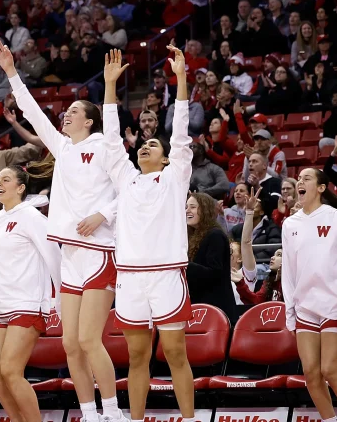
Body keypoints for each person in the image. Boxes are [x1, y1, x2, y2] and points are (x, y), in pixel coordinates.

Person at [0, 37, 125, 422]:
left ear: (90, 120)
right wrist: (12, 73)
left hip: (98, 249)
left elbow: (127, 189)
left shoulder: (103, 146)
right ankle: (90, 413)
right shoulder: (62, 147)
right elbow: (32, 112)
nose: (66, 114)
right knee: (69, 343)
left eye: (74, 111)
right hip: (69, 254)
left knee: (87, 339)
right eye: (65, 110)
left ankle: (112, 413)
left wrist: (103, 214)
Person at [102, 46, 195, 422]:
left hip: (166, 274)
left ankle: (189, 419)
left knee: (175, 352)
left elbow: (182, 133)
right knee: (137, 357)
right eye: (142, 144)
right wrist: (110, 87)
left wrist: (182, 80)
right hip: (130, 278)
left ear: (167, 157)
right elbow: (111, 142)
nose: (144, 146)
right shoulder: (125, 179)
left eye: (152, 144)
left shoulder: (175, 177)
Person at [0, 165, 62, 422]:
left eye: (6, 179)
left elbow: (55, 257)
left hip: (27, 302)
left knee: (11, 369)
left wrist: (59, 300)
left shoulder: (32, 216)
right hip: (1, 303)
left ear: (21, 187)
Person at [281, 168, 337, 422]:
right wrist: (289, 309)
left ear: (320, 188)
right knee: (311, 374)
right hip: (305, 306)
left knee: (330, 370)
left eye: (307, 178)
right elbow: (289, 271)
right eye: (299, 179)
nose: (300, 182)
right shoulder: (289, 223)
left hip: (336, 303)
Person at [185, 192, 236, 322]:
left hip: (216, 310)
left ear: (205, 209)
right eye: (186, 207)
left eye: (192, 207)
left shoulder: (215, 235)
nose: (187, 210)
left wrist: (185, 265)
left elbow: (214, 272)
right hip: (199, 307)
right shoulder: (192, 237)